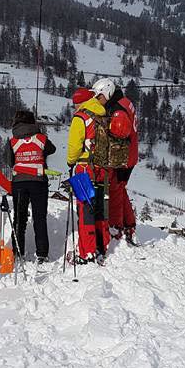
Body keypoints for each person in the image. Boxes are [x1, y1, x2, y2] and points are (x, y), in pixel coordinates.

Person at [66, 87, 110, 263]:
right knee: (100, 209)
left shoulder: (81, 117)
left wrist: (70, 162)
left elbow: (74, 147)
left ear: (78, 102)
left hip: (85, 169)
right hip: (102, 169)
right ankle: (102, 245)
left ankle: (87, 252)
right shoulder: (102, 115)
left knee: (85, 211)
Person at [10, 109, 56, 263]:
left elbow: (11, 162)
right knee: (39, 218)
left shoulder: (12, 141)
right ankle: (42, 254)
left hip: (19, 183)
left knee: (19, 218)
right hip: (38, 181)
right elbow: (52, 149)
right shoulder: (41, 138)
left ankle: (17, 252)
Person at [103, 82, 139, 243]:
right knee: (120, 188)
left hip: (123, 157)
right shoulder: (126, 102)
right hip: (131, 154)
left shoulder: (118, 109)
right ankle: (129, 224)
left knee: (115, 191)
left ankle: (116, 227)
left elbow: (118, 133)